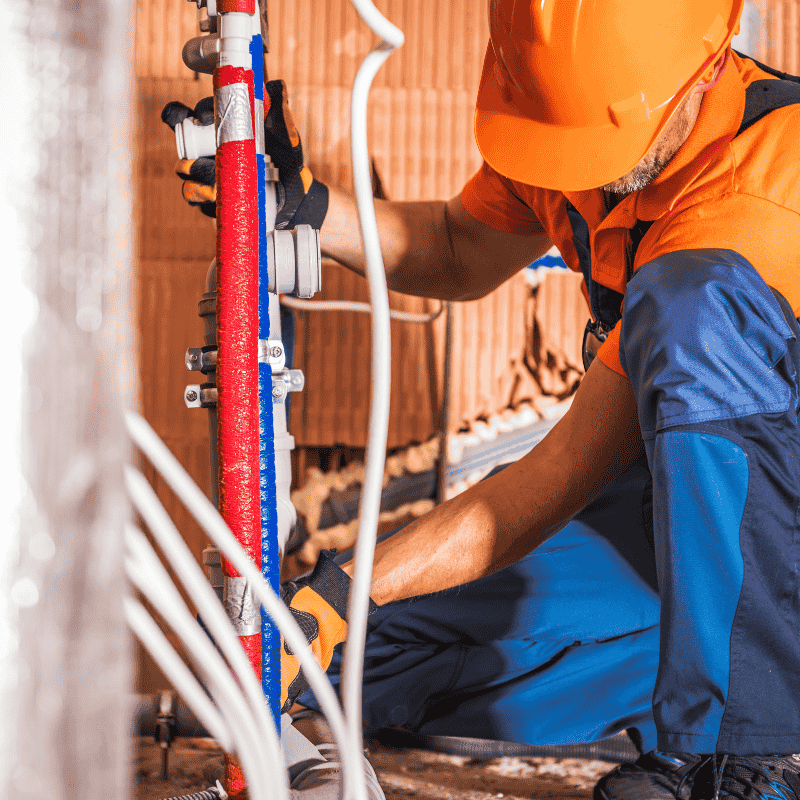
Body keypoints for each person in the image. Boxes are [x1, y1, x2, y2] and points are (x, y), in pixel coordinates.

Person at [163, 0, 800, 797]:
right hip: (674, 538)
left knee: (690, 304)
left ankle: (747, 749)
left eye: (597, 146)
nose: (580, 173)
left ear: (708, 67)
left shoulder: (762, 200)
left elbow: (557, 472)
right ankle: (699, 681)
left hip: (777, 552)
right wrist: (307, 212)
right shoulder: (571, 128)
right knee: (370, 653)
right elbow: (462, 247)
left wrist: (340, 587)